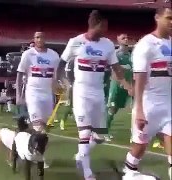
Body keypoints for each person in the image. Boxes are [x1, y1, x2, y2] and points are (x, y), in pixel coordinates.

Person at [57, 10, 132, 180]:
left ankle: (80, 155)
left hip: (98, 94)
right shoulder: (76, 42)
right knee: (84, 133)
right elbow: (61, 64)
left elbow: (116, 68)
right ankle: (87, 172)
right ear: (97, 24)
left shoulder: (107, 44)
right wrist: (61, 82)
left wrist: (127, 86)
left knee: (99, 137)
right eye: (105, 25)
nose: (107, 28)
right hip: (81, 93)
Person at [122, 7, 171, 180]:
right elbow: (139, 80)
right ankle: (128, 173)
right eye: (168, 18)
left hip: (169, 107)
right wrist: (139, 110)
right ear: (157, 17)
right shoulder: (146, 44)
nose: (171, 22)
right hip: (149, 107)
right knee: (139, 148)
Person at [16, 31, 60, 133]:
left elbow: (57, 75)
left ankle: (33, 142)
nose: (39, 40)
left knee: (45, 126)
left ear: (45, 39)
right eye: (37, 37)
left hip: (48, 94)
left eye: (42, 37)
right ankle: (34, 145)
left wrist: (60, 88)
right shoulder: (28, 54)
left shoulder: (53, 55)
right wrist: (18, 95)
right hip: (33, 93)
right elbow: (19, 74)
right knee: (37, 124)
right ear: (34, 39)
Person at [105, 33, 133, 141]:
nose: (126, 39)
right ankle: (104, 132)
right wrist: (125, 68)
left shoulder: (130, 56)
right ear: (118, 40)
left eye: (127, 38)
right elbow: (113, 68)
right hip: (116, 85)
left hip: (127, 86)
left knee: (116, 109)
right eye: (123, 38)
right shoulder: (115, 54)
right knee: (111, 108)